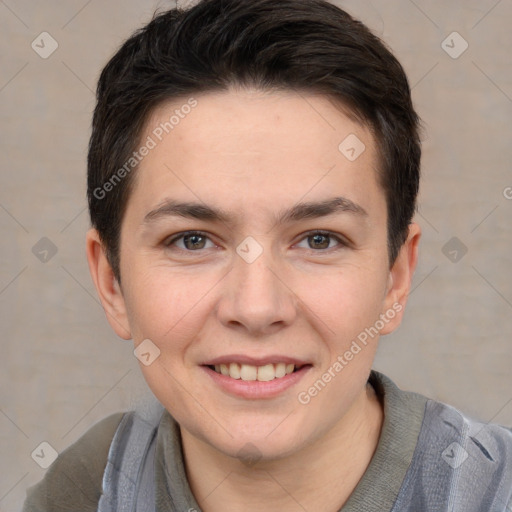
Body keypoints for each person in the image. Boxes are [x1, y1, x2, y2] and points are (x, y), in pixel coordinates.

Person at [23, 0, 512, 510]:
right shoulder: (84, 489)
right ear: (111, 282)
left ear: (395, 277)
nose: (256, 308)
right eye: (193, 240)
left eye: (319, 239)